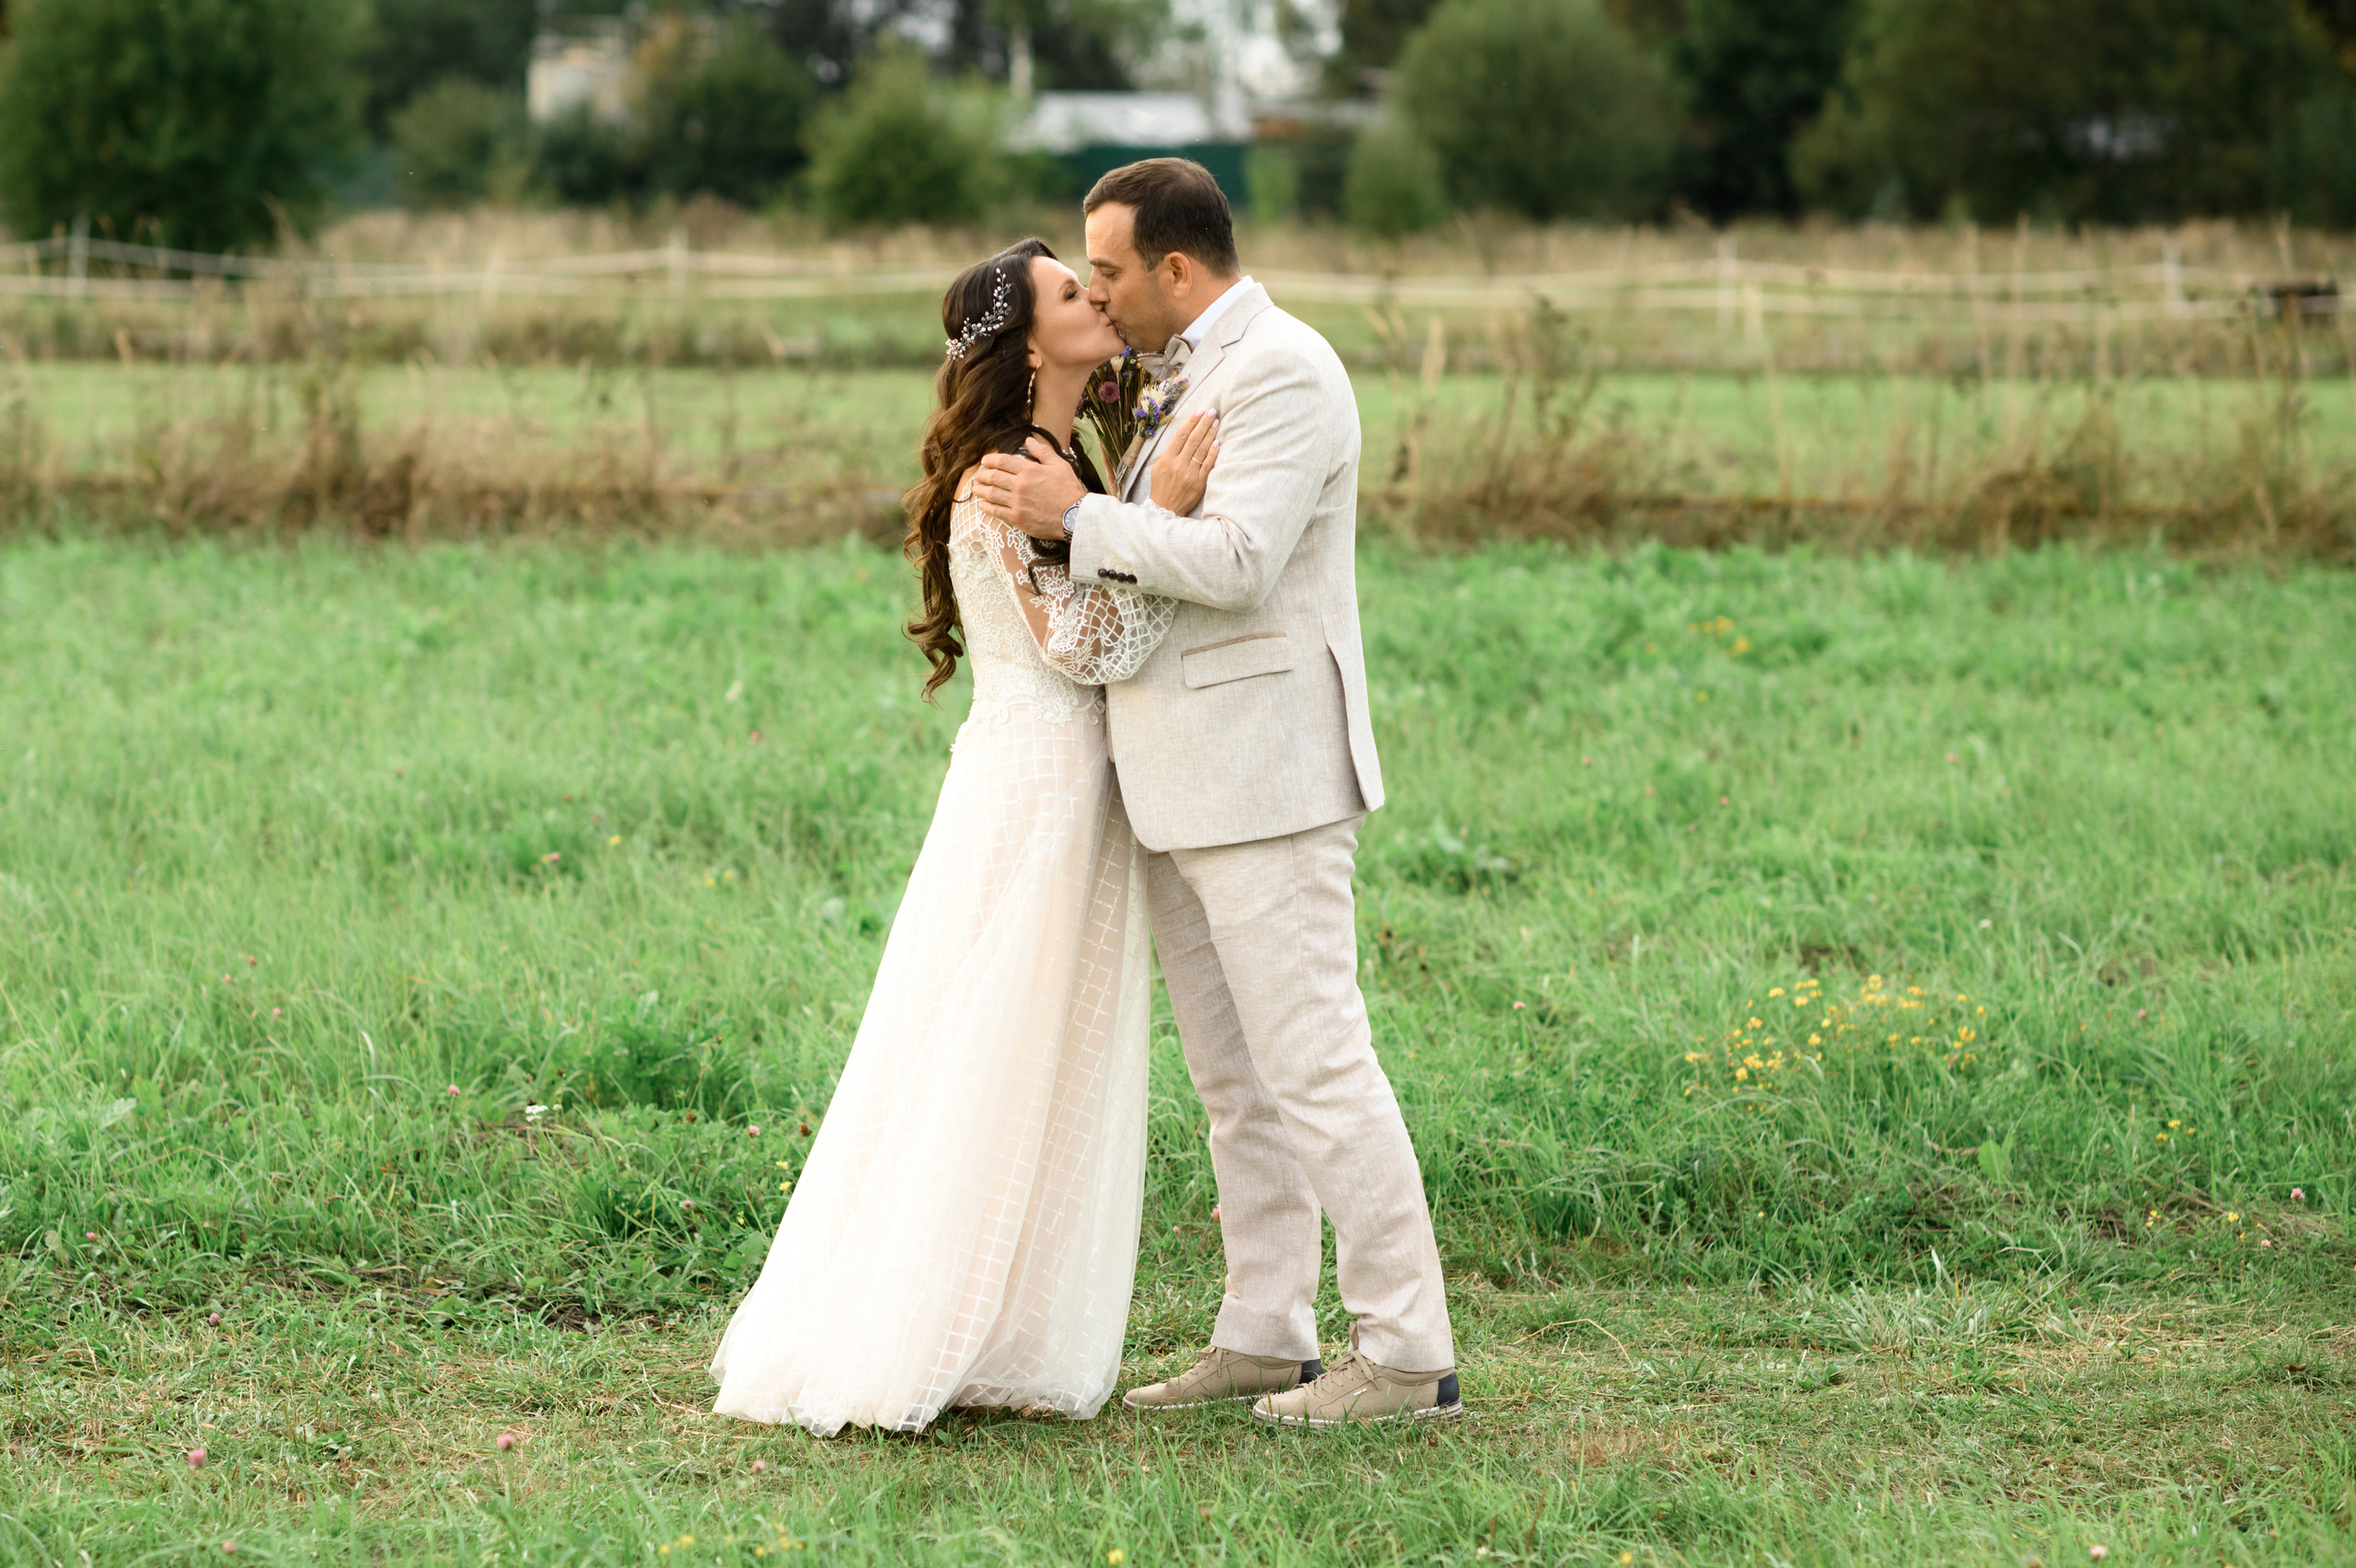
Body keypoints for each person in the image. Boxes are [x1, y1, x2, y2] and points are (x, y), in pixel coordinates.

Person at [972, 158, 1460, 1428]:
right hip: (1181, 781)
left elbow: (1239, 564)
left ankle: (1408, 1352)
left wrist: (1083, 517)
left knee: (1319, 1068)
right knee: (1236, 1084)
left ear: (1176, 269)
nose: (1100, 291)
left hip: (1269, 779)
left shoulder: (1285, 372)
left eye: (1115, 270)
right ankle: (1264, 1327)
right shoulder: (1182, 374)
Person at [707, 238, 1221, 1435]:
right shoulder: (1008, 472)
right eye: (1066, 291)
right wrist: (1171, 532)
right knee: (993, 1047)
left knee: (1038, 1051)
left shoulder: (1054, 454)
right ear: (1028, 343)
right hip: (1035, 783)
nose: (1095, 296)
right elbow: (1086, 647)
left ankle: (997, 1324)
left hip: (1051, 775)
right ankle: (916, 1328)